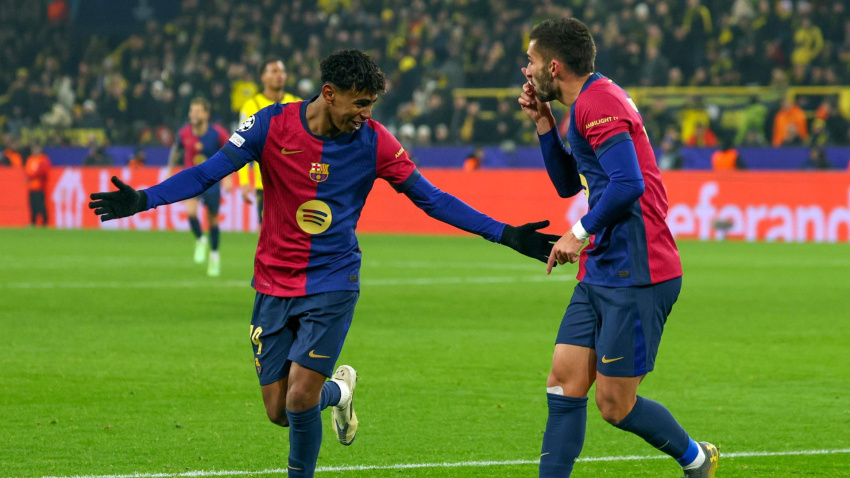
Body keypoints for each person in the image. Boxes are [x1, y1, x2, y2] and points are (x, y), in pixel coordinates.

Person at [89, 49, 557, 478]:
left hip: (332, 282)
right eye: (359, 103)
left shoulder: (375, 142)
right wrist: (145, 199)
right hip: (272, 282)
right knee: (278, 409)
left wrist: (508, 234)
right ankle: (341, 392)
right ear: (328, 93)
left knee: (298, 398)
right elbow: (209, 171)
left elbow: (431, 199)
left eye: (371, 104)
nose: (365, 114)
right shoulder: (270, 125)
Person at [518, 18, 717, 478]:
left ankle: (697, 459)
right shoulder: (580, 107)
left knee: (614, 405)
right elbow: (572, 183)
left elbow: (629, 183)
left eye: (530, 61)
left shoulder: (598, 103)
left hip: (639, 270)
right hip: (603, 268)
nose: (525, 70)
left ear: (553, 65)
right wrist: (545, 125)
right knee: (564, 384)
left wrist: (579, 232)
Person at [167, 97, 231, 276]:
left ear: (206, 114)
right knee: (191, 212)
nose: (193, 115)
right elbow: (176, 148)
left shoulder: (217, 133)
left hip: (211, 180)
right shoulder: (184, 132)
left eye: (197, 111)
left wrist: (228, 177)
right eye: (191, 111)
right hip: (192, 179)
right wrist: (170, 169)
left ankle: (214, 255)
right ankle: (201, 240)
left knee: (212, 221)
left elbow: (231, 152)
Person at [237, 59, 302, 226]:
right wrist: (244, 182)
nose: (279, 75)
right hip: (266, 184)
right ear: (263, 77)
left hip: (293, 183)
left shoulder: (297, 103)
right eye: (273, 71)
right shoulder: (252, 106)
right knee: (268, 237)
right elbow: (241, 146)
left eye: (282, 71)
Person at [25, 144, 51, 227]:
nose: (34, 150)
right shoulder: (30, 159)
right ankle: (33, 221)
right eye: (33, 148)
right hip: (31, 187)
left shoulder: (43, 159)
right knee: (32, 205)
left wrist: (33, 174)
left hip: (40, 186)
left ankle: (44, 221)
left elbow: (43, 171)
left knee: (41, 205)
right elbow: (27, 171)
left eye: (36, 148)